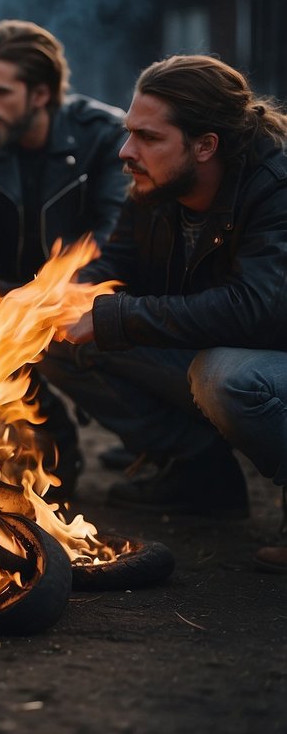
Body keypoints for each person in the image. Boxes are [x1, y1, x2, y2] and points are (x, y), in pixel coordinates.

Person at [43, 54, 287, 570]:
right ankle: (197, 474)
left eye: (148, 137)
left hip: (268, 361)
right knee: (54, 339)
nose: (125, 151)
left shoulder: (274, 188)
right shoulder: (155, 185)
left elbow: (257, 309)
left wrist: (114, 317)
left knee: (226, 377)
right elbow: (118, 261)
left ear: (205, 145)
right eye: (129, 131)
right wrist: (54, 300)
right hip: (207, 348)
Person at [0, 20, 129, 496]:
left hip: (89, 291)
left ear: (40, 94)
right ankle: (49, 449)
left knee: (18, 317)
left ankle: (168, 453)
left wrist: (43, 299)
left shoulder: (103, 135)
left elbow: (114, 238)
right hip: (16, 290)